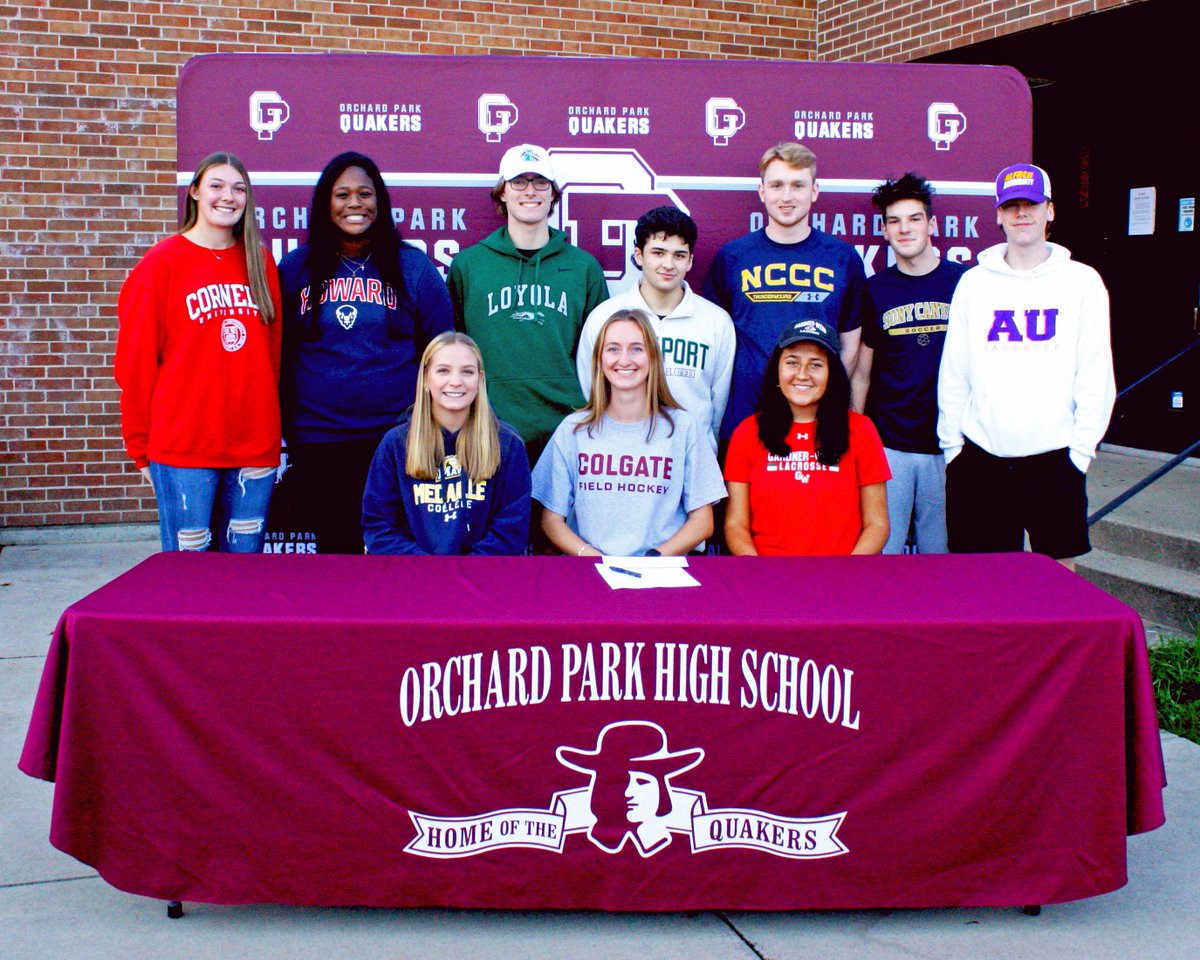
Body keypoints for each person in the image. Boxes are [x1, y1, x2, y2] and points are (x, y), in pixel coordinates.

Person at [937, 162, 1115, 568]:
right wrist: (954, 449)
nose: (1022, 214)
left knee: (1059, 586)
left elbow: (1095, 376)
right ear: (998, 215)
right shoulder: (974, 283)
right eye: (1012, 206)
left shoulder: (1081, 282)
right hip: (980, 458)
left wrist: (1080, 453)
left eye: (1031, 204)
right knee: (982, 585)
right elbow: (954, 375)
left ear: (1049, 210)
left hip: (1055, 458)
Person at [278, 151, 454, 554]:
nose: (354, 203)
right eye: (342, 194)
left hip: (397, 437)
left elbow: (442, 355)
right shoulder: (296, 268)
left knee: (397, 547)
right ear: (326, 203)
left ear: (381, 201)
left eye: (364, 193)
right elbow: (280, 358)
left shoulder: (414, 268)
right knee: (336, 548)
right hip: (320, 438)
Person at [115, 151, 282, 553]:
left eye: (239, 188)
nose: (229, 196)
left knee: (244, 566)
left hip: (252, 442)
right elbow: (135, 364)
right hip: (184, 444)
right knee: (188, 575)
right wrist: (139, 447)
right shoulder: (161, 264)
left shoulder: (258, 260)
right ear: (194, 192)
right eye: (217, 186)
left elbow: (272, 355)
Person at [448, 143, 608, 468]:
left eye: (540, 182)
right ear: (502, 193)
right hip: (488, 429)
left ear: (553, 194)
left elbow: (601, 355)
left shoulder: (583, 268)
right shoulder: (469, 266)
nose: (530, 191)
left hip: (568, 431)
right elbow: (452, 352)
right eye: (519, 182)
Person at [704, 141, 872, 445]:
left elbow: (850, 345)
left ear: (814, 191)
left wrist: (819, 393)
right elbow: (715, 341)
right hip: (746, 418)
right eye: (777, 185)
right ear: (762, 191)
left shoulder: (843, 258)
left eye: (798, 185)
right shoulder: (732, 258)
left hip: (816, 419)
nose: (786, 196)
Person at [532, 309, 726, 558]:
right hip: (589, 572)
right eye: (613, 349)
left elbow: (702, 521)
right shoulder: (573, 430)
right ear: (599, 360)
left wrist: (654, 559)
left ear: (653, 357)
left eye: (637, 348)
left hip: (662, 571)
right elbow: (551, 520)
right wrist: (592, 557)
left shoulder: (683, 428)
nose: (624, 359)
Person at [850, 173, 966, 554]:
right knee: (884, 551)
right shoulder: (876, 288)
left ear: (932, 224)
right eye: (894, 221)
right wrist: (857, 437)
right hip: (890, 444)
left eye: (914, 218)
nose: (905, 229)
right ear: (884, 230)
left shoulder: (965, 283)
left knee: (942, 554)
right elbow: (863, 373)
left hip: (949, 442)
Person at [724, 318, 890, 556]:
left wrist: (845, 575)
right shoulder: (748, 432)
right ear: (777, 369)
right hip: (769, 578)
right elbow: (735, 525)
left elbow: (878, 524)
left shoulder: (861, 431)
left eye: (815, 365)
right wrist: (761, 573)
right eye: (792, 362)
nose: (802, 375)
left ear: (832, 373)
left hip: (841, 578)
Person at [577, 205, 734, 454]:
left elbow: (717, 410)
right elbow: (591, 393)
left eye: (679, 255)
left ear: (691, 260)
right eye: (658, 253)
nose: (668, 264)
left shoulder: (716, 322)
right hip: (619, 461)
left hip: (691, 463)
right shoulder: (604, 318)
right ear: (639, 255)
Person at [361, 332, 530, 555]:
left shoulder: (508, 445)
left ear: (480, 380)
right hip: (413, 577)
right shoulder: (395, 444)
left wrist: (463, 572)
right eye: (443, 370)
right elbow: (379, 526)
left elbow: (511, 530)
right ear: (425, 379)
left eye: (467, 372)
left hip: (482, 578)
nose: (456, 381)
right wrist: (430, 571)